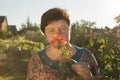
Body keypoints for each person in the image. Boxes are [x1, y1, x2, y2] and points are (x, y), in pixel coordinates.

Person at [26, 7, 100, 80]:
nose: (58, 33)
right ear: (45, 35)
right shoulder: (36, 59)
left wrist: (89, 78)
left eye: (63, 28)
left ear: (69, 30)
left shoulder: (86, 55)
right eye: (51, 30)